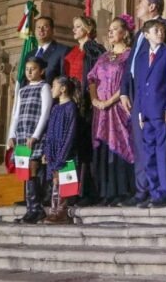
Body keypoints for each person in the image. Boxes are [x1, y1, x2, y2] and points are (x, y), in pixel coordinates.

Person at [119, 0, 166, 206]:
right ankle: (142, 189)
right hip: (138, 93)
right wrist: (124, 90)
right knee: (141, 144)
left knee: (156, 147)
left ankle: (156, 191)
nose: (137, 6)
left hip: (158, 96)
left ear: (153, 7)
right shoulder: (139, 34)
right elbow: (132, 64)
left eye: (141, 2)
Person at [87, 16, 135, 206]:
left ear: (125, 33)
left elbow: (129, 81)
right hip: (101, 111)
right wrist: (95, 100)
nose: (111, 32)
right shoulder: (104, 57)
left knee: (121, 146)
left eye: (115, 29)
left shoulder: (129, 55)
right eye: (110, 29)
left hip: (118, 108)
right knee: (104, 149)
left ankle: (123, 191)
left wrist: (109, 101)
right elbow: (92, 79)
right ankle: (105, 193)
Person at [133, 20, 166, 208]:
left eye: (162, 30)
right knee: (148, 154)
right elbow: (139, 85)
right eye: (156, 30)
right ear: (146, 35)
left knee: (162, 152)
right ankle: (154, 191)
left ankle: (164, 192)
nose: (160, 33)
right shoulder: (142, 57)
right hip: (146, 112)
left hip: (161, 111)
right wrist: (140, 112)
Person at [63, 15, 106, 206]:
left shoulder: (93, 48)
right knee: (69, 149)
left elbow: (96, 75)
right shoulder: (72, 51)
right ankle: (68, 192)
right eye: (74, 26)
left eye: (78, 26)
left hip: (85, 105)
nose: (74, 30)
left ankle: (88, 191)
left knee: (85, 150)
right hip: (70, 103)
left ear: (88, 29)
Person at [6, 56, 53, 223]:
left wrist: (36, 135)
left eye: (33, 69)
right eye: (27, 69)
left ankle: (37, 207)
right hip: (21, 135)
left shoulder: (44, 87)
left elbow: (45, 112)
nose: (29, 72)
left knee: (32, 168)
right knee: (24, 172)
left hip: (34, 136)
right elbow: (15, 114)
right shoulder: (22, 90)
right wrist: (11, 135)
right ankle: (30, 208)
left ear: (41, 71)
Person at [42, 76, 78, 223]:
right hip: (53, 150)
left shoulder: (71, 107)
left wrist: (63, 155)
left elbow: (70, 133)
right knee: (55, 182)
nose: (51, 89)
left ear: (63, 89)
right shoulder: (55, 108)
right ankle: (53, 210)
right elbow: (50, 131)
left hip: (65, 152)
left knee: (64, 182)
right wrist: (46, 151)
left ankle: (62, 211)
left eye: (53, 86)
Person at [24, 16, 71, 85]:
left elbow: (64, 79)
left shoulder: (62, 50)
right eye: (38, 27)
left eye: (45, 27)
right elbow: (25, 80)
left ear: (52, 31)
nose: (41, 30)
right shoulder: (29, 54)